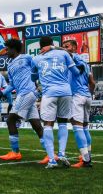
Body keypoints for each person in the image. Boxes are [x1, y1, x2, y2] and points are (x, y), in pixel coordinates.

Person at [31, 36, 82, 169]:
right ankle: (62, 153)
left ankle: (52, 160)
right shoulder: (63, 53)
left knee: (48, 124)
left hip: (49, 93)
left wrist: (41, 72)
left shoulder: (36, 58)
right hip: (66, 92)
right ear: (53, 44)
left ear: (40, 46)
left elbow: (33, 77)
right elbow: (76, 72)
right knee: (63, 123)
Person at [0, 39, 45, 161]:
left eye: (7, 49)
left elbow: (39, 68)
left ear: (14, 48)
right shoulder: (9, 66)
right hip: (23, 94)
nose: (6, 51)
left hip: (27, 93)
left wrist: (40, 84)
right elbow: (12, 84)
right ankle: (50, 154)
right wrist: (2, 93)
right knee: (36, 125)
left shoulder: (27, 58)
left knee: (10, 120)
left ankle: (15, 152)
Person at [62, 39, 96, 168]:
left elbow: (67, 54)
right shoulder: (86, 64)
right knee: (85, 128)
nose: (65, 48)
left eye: (67, 46)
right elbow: (92, 82)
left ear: (75, 48)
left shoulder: (73, 57)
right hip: (87, 96)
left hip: (77, 96)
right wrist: (90, 95)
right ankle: (87, 156)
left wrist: (53, 47)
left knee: (77, 127)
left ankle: (86, 160)